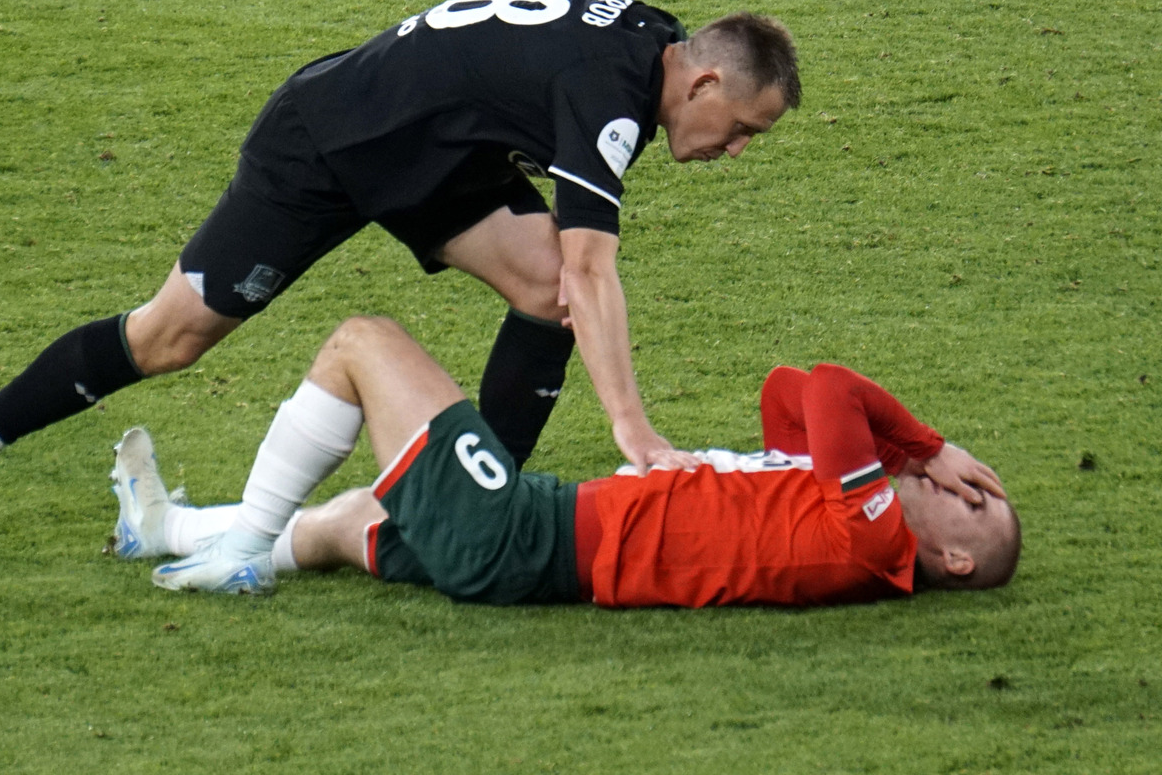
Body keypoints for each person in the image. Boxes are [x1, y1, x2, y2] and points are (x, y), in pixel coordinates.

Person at [0, 0, 801, 562]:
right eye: (744, 131)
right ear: (705, 84)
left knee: (544, 293)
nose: (735, 150)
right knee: (168, 338)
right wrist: (634, 431)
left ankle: (476, 506)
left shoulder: (651, 46)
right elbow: (594, 266)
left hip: (432, 154)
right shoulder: (609, 92)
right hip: (331, 141)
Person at [115, 315, 1018, 603]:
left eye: (973, 503)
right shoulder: (829, 507)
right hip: (531, 547)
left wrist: (932, 447)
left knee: (363, 342)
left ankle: (238, 550)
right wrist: (920, 459)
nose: (953, 488)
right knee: (352, 519)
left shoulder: (870, 540)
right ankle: (165, 529)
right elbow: (790, 391)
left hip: (527, 534)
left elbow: (830, 390)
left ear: (956, 558)